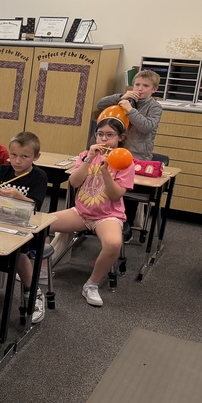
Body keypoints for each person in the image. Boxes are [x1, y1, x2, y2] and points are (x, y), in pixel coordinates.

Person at [47, 116, 135, 307]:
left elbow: (115, 194)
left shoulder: (125, 161)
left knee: (113, 243)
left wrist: (105, 170)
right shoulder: (85, 155)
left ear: (120, 138)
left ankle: (91, 284)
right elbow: (74, 182)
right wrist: (88, 159)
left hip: (108, 215)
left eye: (109, 135)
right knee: (41, 225)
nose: (104, 139)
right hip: (81, 212)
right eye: (100, 134)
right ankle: (40, 270)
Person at [0, 132, 48, 323]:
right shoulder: (4, 171)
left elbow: (35, 206)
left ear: (35, 157)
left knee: (20, 252)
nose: (17, 161)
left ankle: (32, 293)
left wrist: (17, 196)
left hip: (24, 226)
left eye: (24, 156)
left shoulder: (38, 176)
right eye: (13, 155)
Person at [95, 70, 162, 160]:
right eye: (137, 84)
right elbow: (100, 105)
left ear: (154, 89)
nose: (140, 89)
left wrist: (130, 110)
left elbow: (147, 127)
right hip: (117, 149)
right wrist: (120, 97)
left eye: (145, 86)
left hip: (138, 154)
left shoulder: (155, 107)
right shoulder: (126, 99)